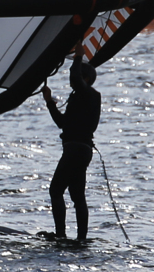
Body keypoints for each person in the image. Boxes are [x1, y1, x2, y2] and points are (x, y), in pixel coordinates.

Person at [39, 50, 101, 242]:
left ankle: (61, 236)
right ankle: (80, 239)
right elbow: (62, 123)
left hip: (76, 150)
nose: (71, 79)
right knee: (76, 195)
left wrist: (78, 55)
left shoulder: (90, 94)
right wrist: (50, 102)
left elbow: (76, 75)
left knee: (55, 190)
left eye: (75, 77)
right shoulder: (78, 97)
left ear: (86, 79)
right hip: (78, 151)